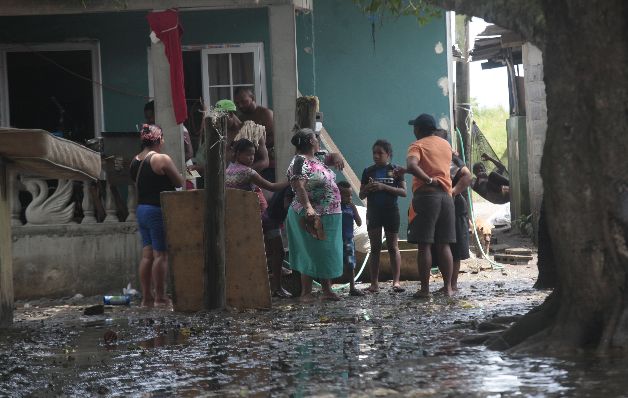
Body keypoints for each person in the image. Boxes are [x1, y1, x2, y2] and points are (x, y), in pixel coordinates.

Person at [286, 128, 345, 303]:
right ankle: (306, 292)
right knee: (309, 250)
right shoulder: (299, 162)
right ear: (311, 141)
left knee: (325, 252)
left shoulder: (317, 157)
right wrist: (309, 208)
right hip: (311, 214)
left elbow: (332, 157)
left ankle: (327, 290)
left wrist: (337, 156)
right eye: (316, 137)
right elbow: (299, 186)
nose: (318, 140)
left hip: (330, 214)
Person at [130, 124, 185, 307]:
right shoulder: (161, 159)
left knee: (147, 256)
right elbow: (178, 182)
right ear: (159, 139)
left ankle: (147, 298)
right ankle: (160, 297)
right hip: (157, 211)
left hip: (142, 210)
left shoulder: (135, 160)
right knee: (161, 255)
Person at [403, 114, 456, 298]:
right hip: (447, 198)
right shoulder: (445, 144)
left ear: (418, 129)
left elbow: (411, 165)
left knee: (424, 246)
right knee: (444, 244)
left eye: (414, 127)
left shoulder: (417, 145)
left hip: (427, 197)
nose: (413, 131)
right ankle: (448, 287)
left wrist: (427, 178)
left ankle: (425, 290)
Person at [359, 140, 407, 293]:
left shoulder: (395, 170)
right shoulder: (368, 171)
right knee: (375, 248)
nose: (376, 156)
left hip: (391, 211)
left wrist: (383, 187)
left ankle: (396, 282)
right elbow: (361, 194)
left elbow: (404, 192)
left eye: (380, 153)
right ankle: (374, 284)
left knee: (393, 246)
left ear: (388, 154)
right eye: (374, 153)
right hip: (374, 212)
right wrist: (368, 187)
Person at [431, 129, 473, 292]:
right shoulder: (434, 157)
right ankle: (447, 284)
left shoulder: (451, 158)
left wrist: (453, 192)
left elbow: (468, 177)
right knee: (442, 244)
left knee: (454, 246)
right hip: (441, 205)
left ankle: (452, 284)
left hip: (454, 206)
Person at [225, 138, 288, 214]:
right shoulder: (248, 172)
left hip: (233, 210)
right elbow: (272, 187)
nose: (252, 158)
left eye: (253, 155)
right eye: (248, 155)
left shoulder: (227, 170)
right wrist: (290, 181)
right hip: (249, 211)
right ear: (238, 154)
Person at [234, 87, 275, 181]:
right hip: (249, 164)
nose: (240, 105)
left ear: (253, 98)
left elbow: (273, 139)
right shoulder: (242, 118)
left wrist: (255, 143)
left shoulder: (266, 113)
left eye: (244, 101)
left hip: (269, 164)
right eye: (237, 103)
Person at [337, 181, 364, 297]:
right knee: (334, 262)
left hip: (348, 239)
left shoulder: (351, 207)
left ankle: (352, 287)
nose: (350, 197)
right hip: (336, 240)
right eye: (346, 195)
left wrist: (354, 211)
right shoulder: (335, 207)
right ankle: (328, 287)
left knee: (350, 264)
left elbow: (359, 222)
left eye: (351, 195)